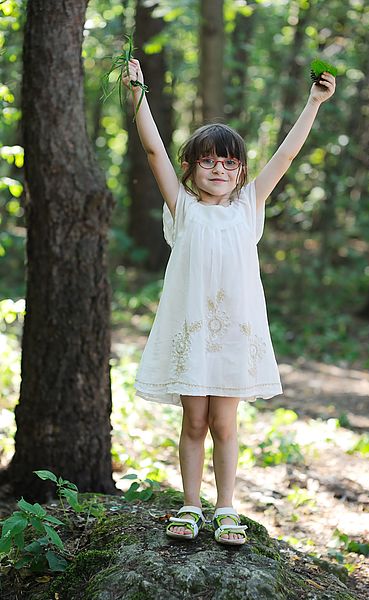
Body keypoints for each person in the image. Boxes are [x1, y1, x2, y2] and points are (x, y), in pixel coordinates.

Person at [122, 59, 335, 545]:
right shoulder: (183, 207)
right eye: (208, 160)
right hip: (192, 331)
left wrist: (314, 103)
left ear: (240, 171)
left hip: (235, 335)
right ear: (191, 168)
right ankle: (191, 505)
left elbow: (285, 156)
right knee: (193, 420)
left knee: (225, 422)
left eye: (229, 161)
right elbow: (153, 151)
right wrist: (138, 94)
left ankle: (225, 508)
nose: (219, 168)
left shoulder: (248, 208)